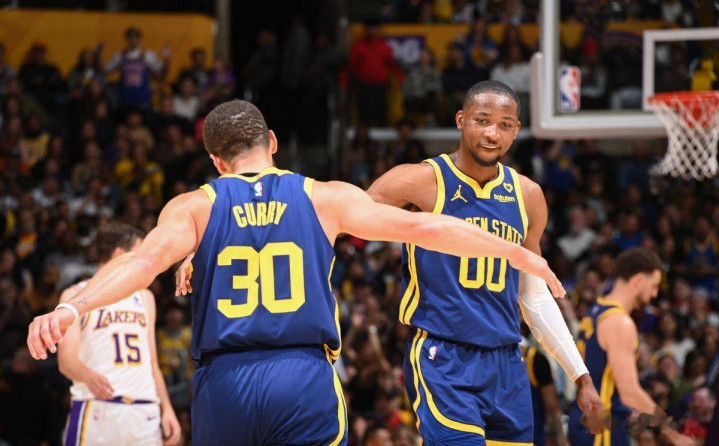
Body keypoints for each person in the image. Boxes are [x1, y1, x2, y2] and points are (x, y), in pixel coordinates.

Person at [27, 99, 563, 445]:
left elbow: (141, 263)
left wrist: (72, 307)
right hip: (303, 376)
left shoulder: (194, 207)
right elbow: (424, 228)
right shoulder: (324, 197)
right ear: (273, 143)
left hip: (225, 381)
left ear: (216, 161)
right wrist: (518, 254)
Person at [366, 80, 603, 444]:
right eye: (482, 120)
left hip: (507, 363)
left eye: (504, 125)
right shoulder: (420, 181)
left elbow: (533, 295)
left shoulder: (528, 196)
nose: (493, 133)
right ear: (461, 120)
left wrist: (581, 376)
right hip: (444, 356)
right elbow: (348, 219)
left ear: (516, 130)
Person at [57, 222, 180, 446]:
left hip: (144, 410)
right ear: (119, 254)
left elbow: (152, 363)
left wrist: (167, 408)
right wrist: (87, 375)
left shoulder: (145, 297)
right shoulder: (75, 295)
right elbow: (66, 361)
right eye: (139, 253)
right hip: (98, 407)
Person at [568, 248, 694, 446]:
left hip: (583, 415)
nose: (654, 294)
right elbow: (630, 393)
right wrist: (673, 434)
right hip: (602, 423)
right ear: (638, 280)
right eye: (653, 286)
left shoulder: (595, 309)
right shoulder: (620, 322)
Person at [104, 26, 170, 110]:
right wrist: (98, 57)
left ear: (140, 39)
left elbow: (163, 73)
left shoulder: (147, 55)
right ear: (127, 39)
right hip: (125, 99)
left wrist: (167, 60)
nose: (133, 39)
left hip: (142, 100)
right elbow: (106, 70)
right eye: (131, 37)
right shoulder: (120, 55)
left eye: (136, 37)